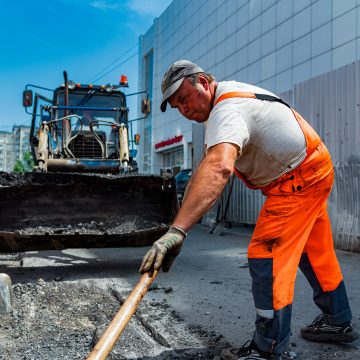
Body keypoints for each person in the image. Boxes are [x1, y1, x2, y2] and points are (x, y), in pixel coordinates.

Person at [139, 60, 359, 360]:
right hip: (313, 167)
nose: (183, 109)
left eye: (184, 98)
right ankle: (338, 321)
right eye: (177, 106)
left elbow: (219, 169)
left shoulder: (226, 111)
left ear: (202, 82)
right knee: (313, 251)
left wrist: (178, 231)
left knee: (266, 254)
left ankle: (267, 348)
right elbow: (204, 171)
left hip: (298, 180)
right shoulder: (224, 105)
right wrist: (177, 227)